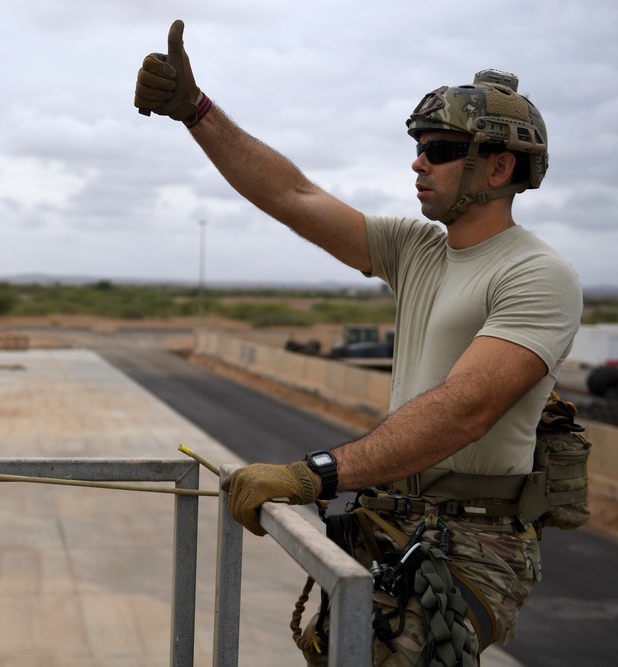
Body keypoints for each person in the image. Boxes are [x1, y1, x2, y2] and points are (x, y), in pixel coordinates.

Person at [135, 19, 583, 666]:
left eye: (441, 147)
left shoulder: (537, 273)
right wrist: (195, 112)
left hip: (476, 539)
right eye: (419, 144)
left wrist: (314, 474)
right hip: (396, 517)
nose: (418, 160)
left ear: (500, 166)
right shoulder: (419, 248)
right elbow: (294, 195)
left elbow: (467, 407)